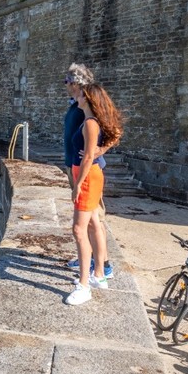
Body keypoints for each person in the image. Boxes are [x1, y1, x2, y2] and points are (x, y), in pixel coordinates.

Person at [65, 83, 124, 305]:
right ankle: (98, 275)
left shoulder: (90, 123)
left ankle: (84, 286)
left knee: (79, 229)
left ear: (87, 99)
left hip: (87, 176)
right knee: (92, 225)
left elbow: (88, 157)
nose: (76, 97)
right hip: (90, 175)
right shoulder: (90, 121)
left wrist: (78, 184)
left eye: (80, 94)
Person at [62, 64, 116, 279]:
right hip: (74, 164)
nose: (65, 86)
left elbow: (115, 129)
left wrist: (100, 149)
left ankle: (104, 265)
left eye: (66, 82)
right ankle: (90, 258)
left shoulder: (91, 107)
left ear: (75, 83)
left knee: (95, 220)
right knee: (90, 218)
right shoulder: (77, 105)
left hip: (88, 169)